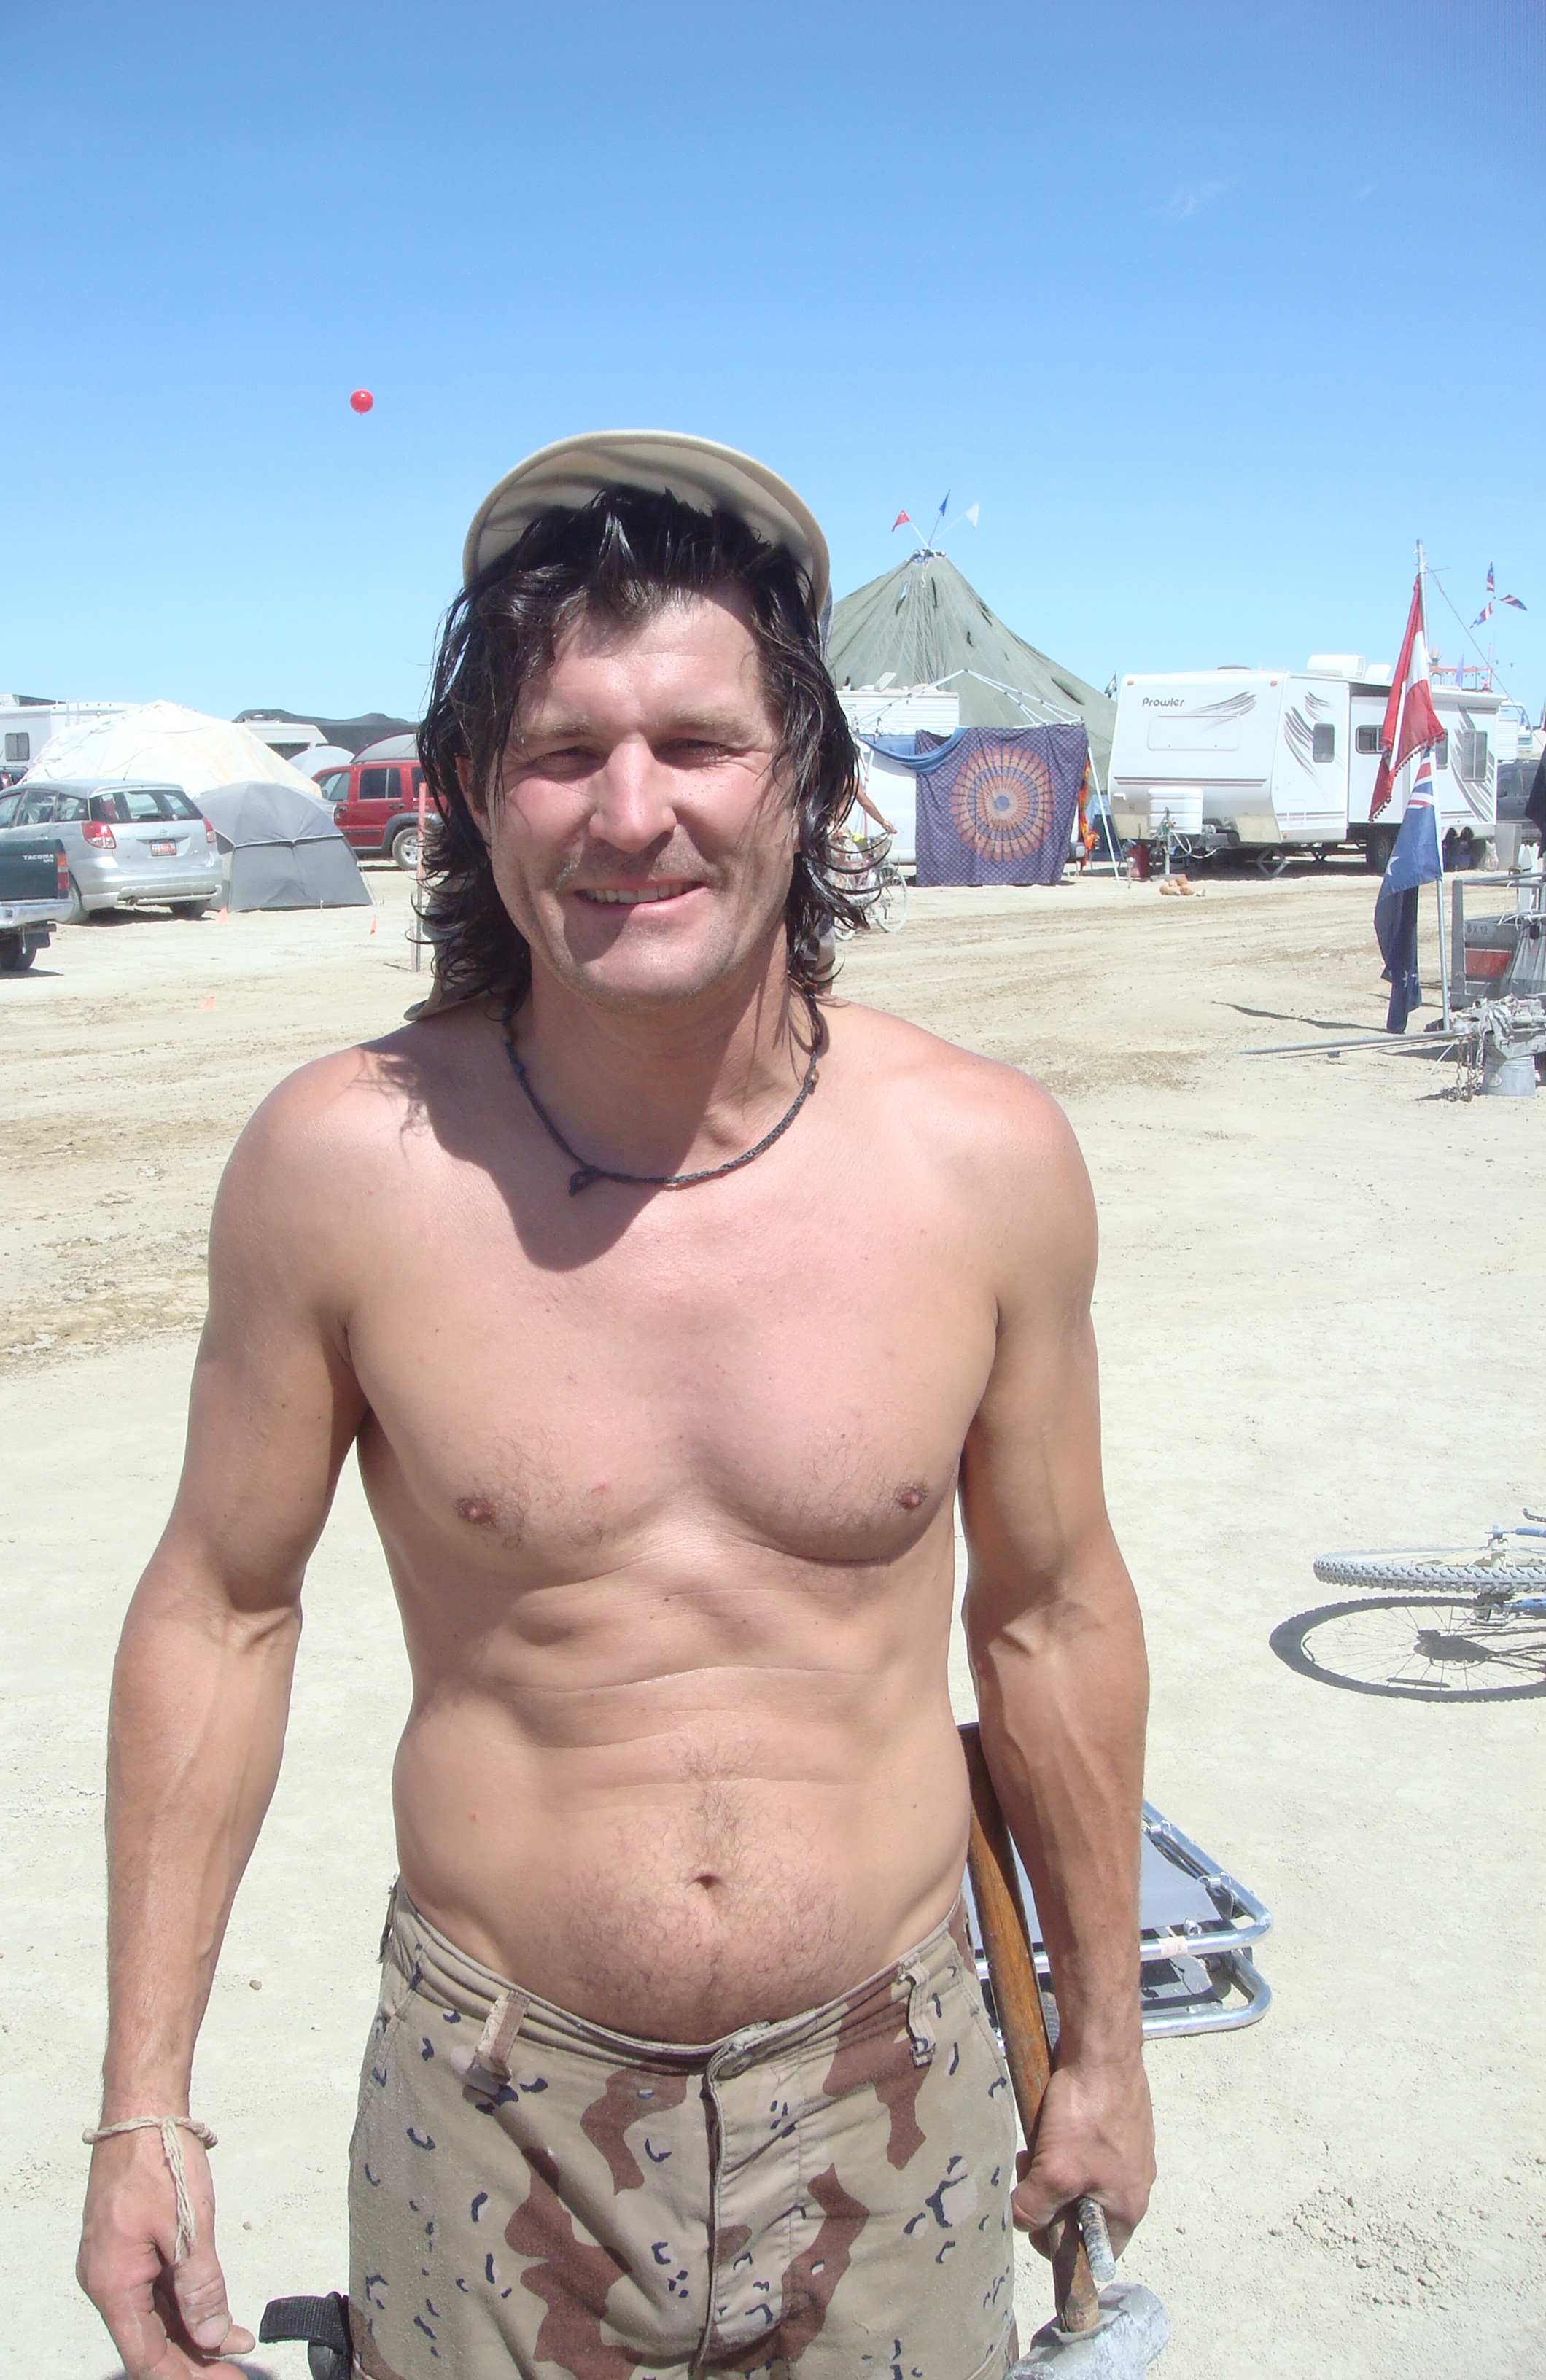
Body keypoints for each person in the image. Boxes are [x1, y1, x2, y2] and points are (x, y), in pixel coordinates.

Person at [77, 432, 1155, 2380]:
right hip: (496, 2116)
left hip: (892, 2092)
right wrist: (142, 2101)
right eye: (563, 751)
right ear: (478, 794)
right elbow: (220, 1609)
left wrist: (1104, 2051)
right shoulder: (346, 1165)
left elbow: (1053, 1612)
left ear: (808, 773)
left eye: (698, 744)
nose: (630, 811)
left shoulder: (984, 1163)